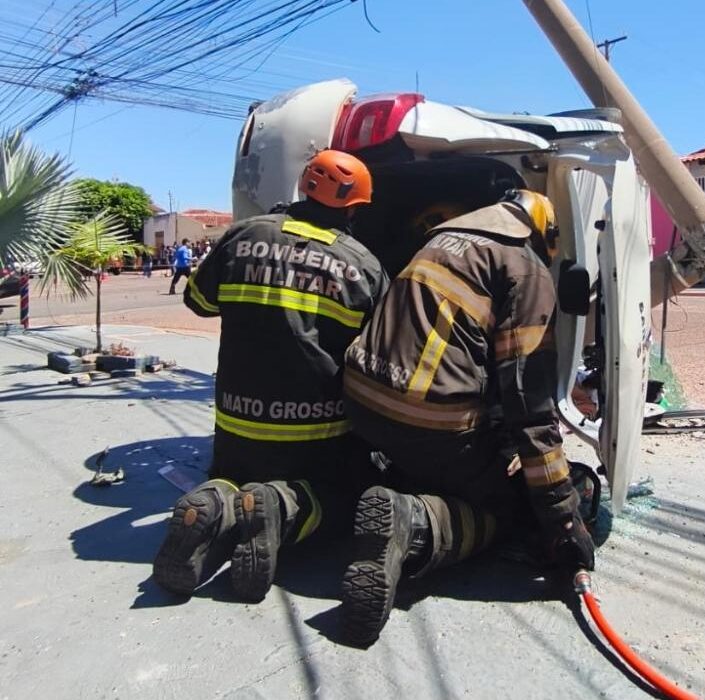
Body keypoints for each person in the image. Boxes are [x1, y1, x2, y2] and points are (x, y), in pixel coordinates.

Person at [338, 189, 595, 644]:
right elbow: (528, 402)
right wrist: (560, 516)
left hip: (362, 405)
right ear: (542, 234)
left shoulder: (439, 242)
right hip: (430, 421)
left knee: (440, 462)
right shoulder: (525, 267)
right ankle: (414, 523)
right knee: (507, 507)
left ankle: (403, 488)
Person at [152, 150, 388, 602]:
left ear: (303, 187)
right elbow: (378, 353)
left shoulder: (244, 234)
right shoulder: (365, 266)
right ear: (354, 208)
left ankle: (217, 499)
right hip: (316, 433)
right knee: (346, 495)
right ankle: (281, 507)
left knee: (232, 478)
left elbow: (198, 302)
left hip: (238, 422)